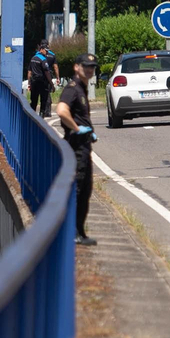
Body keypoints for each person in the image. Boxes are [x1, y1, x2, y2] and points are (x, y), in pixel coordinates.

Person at [56, 54, 98, 246]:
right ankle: (72, 232)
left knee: (86, 189)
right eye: (86, 66)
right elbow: (61, 110)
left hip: (84, 145)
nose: (89, 70)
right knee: (78, 189)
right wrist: (76, 128)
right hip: (76, 145)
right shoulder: (73, 88)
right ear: (76, 67)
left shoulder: (82, 87)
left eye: (92, 67)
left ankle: (79, 231)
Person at [28, 41, 53, 118]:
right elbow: (47, 73)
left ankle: (31, 116)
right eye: (46, 51)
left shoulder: (33, 58)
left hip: (34, 82)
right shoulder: (43, 59)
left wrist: (29, 83)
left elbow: (29, 72)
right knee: (43, 100)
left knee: (33, 100)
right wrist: (51, 83)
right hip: (42, 82)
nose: (47, 52)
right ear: (41, 49)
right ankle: (41, 116)